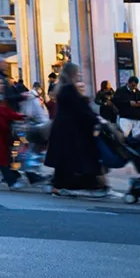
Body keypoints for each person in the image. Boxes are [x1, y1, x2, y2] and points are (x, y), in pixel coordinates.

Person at [46, 61, 107, 198]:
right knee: (81, 156)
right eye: (77, 72)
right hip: (71, 130)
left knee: (65, 159)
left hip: (64, 129)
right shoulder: (69, 89)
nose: (79, 75)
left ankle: (59, 184)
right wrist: (97, 119)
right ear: (72, 74)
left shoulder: (62, 88)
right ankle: (90, 184)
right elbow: (81, 109)